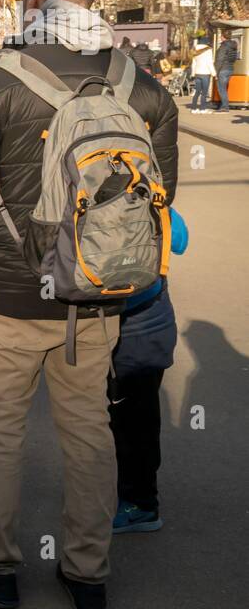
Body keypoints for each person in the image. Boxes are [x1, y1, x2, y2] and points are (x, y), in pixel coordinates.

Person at [0, 0, 179, 609]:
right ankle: (88, 577)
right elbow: (159, 198)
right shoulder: (143, 86)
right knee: (89, 434)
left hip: (5, 297)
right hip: (98, 296)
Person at [110, 208, 188, 535]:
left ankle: (140, 504)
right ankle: (136, 498)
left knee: (128, 426)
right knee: (138, 422)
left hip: (123, 333)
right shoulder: (154, 201)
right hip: (153, 328)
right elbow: (181, 241)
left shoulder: (85, 200)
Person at [214, 34, 239, 113]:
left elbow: (219, 60)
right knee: (224, 88)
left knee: (221, 89)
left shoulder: (224, 46)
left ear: (223, 37)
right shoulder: (234, 46)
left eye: (221, 36)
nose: (220, 37)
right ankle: (223, 105)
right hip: (230, 69)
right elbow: (234, 58)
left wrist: (216, 72)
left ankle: (225, 106)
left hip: (222, 69)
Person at [189, 37, 215, 113]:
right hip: (205, 73)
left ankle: (193, 108)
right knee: (204, 92)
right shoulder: (208, 50)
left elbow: (194, 63)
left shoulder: (194, 49)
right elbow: (209, 62)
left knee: (197, 91)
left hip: (197, 73)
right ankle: (203, 109)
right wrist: (214, 73)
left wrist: (193, 73)